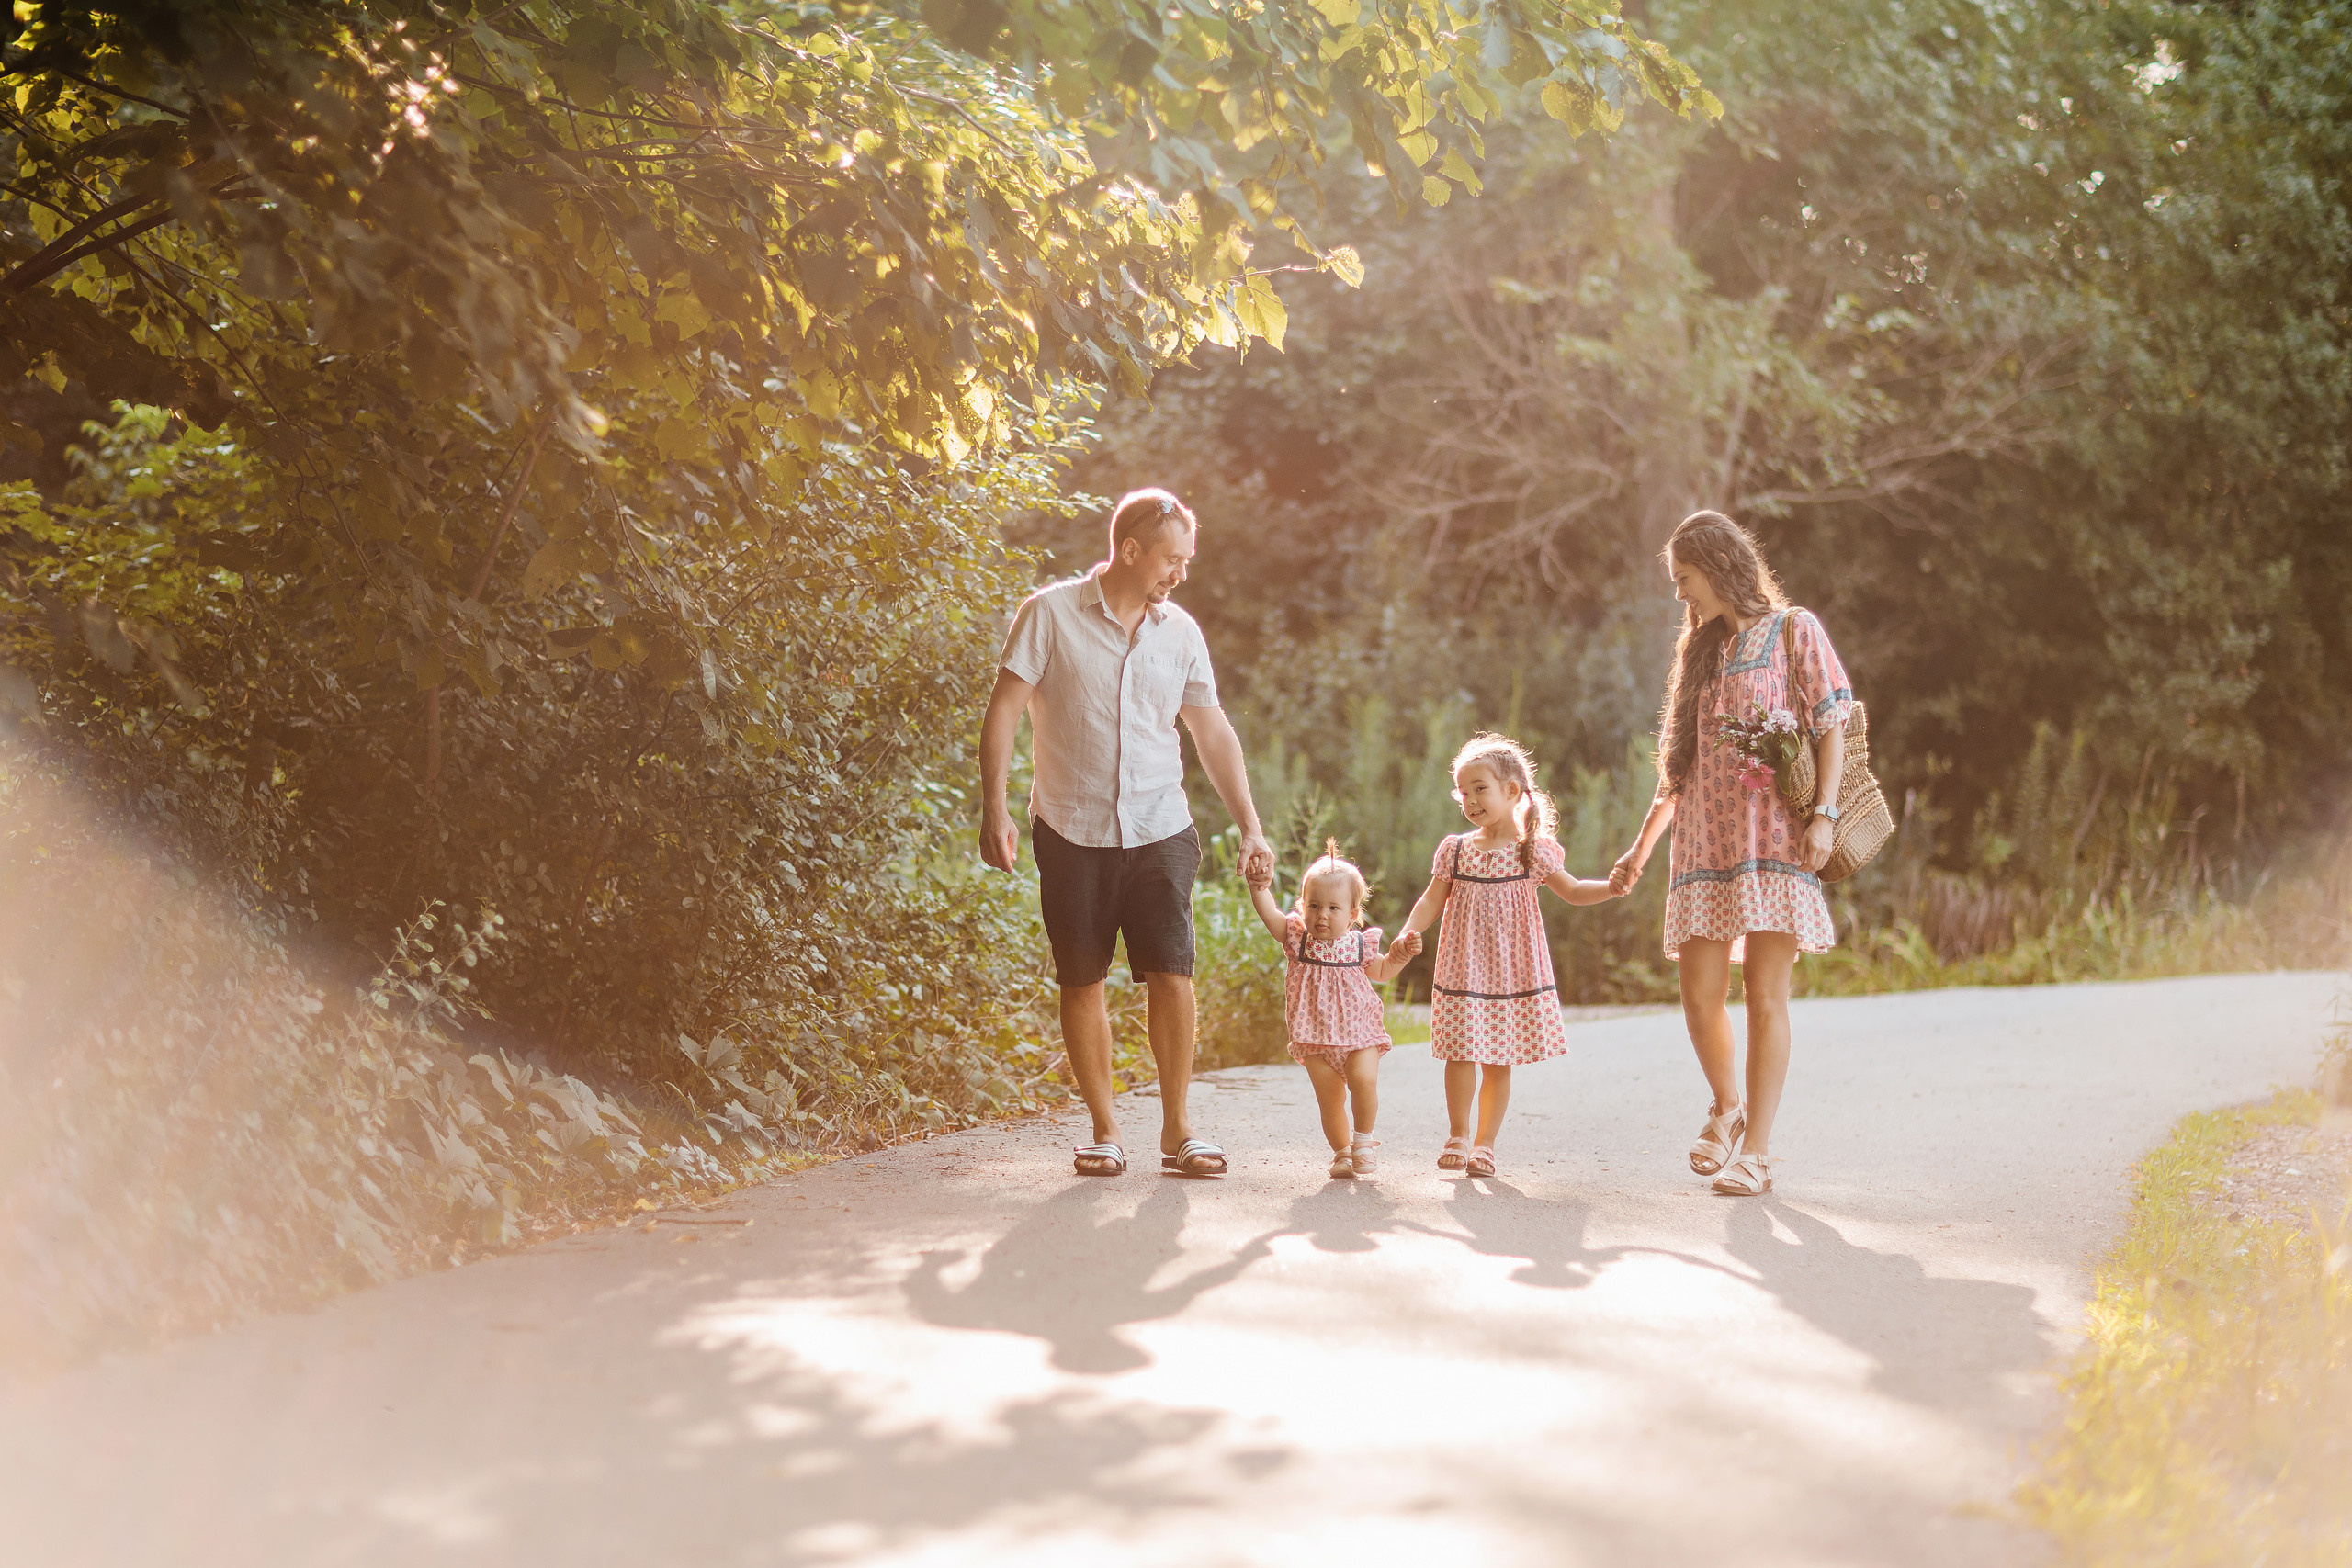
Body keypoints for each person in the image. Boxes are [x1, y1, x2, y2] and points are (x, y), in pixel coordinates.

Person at [978, 488, 1274, 1179]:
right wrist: (993, 807)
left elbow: (1212, 731)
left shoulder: (1181, 633)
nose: (1181, 573)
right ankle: (1105, 1129)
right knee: (1082, 976)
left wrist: (1251, 825)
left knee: (1173, 971)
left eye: (1187, 560)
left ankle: (1178, 1129)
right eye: (1172, 558)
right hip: (1071, 826)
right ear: (1132, 549)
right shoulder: (1047, 614)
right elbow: (1004, 713)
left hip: (1159, 823)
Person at [1609, 510, 1854, 1198]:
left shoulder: (1793, 629)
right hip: (1701, 845)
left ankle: (1759, 1153)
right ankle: (1726, 1107)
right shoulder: (1698, 653)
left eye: (1684, 578)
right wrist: (1638, 849)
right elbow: (1676, 772)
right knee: (1698, 998)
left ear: (1718, 567)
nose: (1680, 593)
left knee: (1765, 995)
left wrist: (1826, 816)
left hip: (1774, 841)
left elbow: (1833, 721)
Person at [1397, 733, 1621, 1179]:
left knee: (1497, 1061)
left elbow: (1573, 891)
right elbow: (1430, 900)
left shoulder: (1531, 851)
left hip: (1509, 975)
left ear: (1512, 791)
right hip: (1462, 967)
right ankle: (1457, 1135)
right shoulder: (1456, 850)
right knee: (1459, 1053)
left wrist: (1611, 887)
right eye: (1464, 792)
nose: (1471, 799)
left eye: (1480, 788)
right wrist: (1409, 929)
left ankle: (1484, 1145)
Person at [1242, 840, 1422, 1179]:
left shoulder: (1357, 945)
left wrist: (1400, 954)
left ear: (1354, 914)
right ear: (1302, 906)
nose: (1322, 914)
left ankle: (1363, 1142)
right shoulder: (1298, 940)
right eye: (1314, 905)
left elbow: (1382, 971)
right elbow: (1271, 915)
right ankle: (1341, 1153)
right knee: (1330, 1099)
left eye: (1333, 908)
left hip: (1359, 1034)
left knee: (1364, 1081)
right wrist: (1259, 888)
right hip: (1314, 1038)